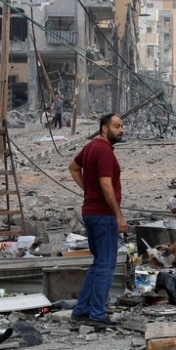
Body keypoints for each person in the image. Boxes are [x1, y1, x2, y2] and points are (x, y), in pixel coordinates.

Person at [68, 114, 126, 329]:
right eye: (117, 126)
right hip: (103, 215)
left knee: (97, 263)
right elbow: (106, 184)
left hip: (90, 212)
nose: (121, 130)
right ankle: (98, 313)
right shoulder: (102, 150)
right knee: (106, 264)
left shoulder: (91, 147)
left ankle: (81, 310)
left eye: (122, 126)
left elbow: (73, 167)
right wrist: (118, 215)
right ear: (104, 128)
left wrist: (87, 190)